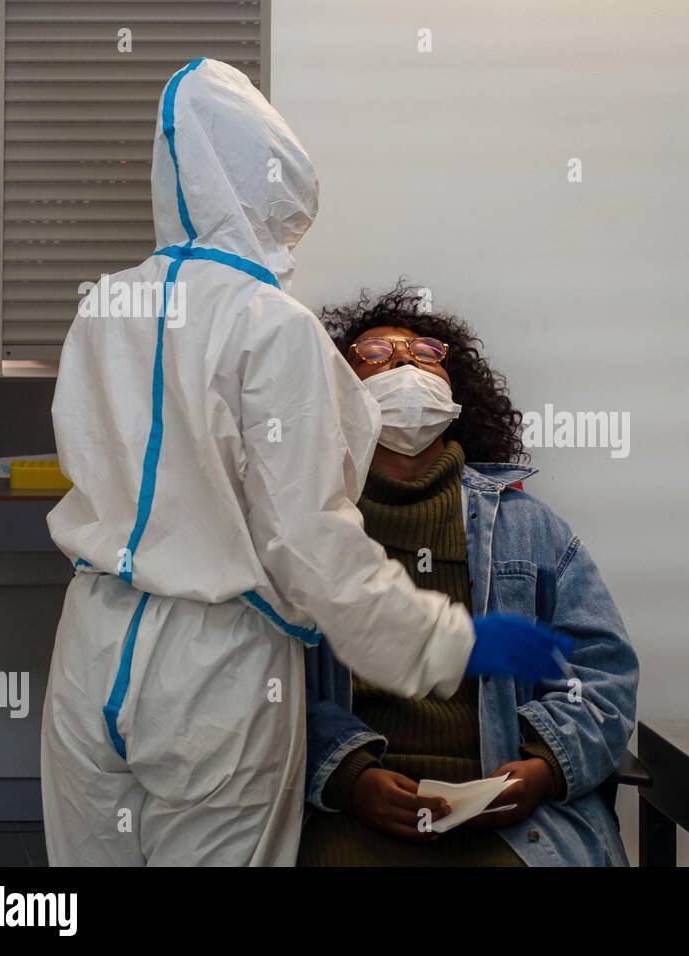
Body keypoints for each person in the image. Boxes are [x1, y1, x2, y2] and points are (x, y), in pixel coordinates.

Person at [40, 59, 569, 867]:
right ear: (273, 187)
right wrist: (449, 644)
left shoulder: (106, 306)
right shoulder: (275, 328)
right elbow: (311, 547)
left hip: (93, 640)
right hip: (218, 665)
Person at [299, 283, 638, 866]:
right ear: (338, 391)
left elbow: (603, 674)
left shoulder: (532, 529)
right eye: (376, 353)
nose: (404, 361)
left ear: (457, 391)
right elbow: (271, 687)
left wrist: (543, 767)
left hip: (512, 817)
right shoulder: (302, 532)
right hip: (359, 807)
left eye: (424, 352)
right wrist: (347, 776)